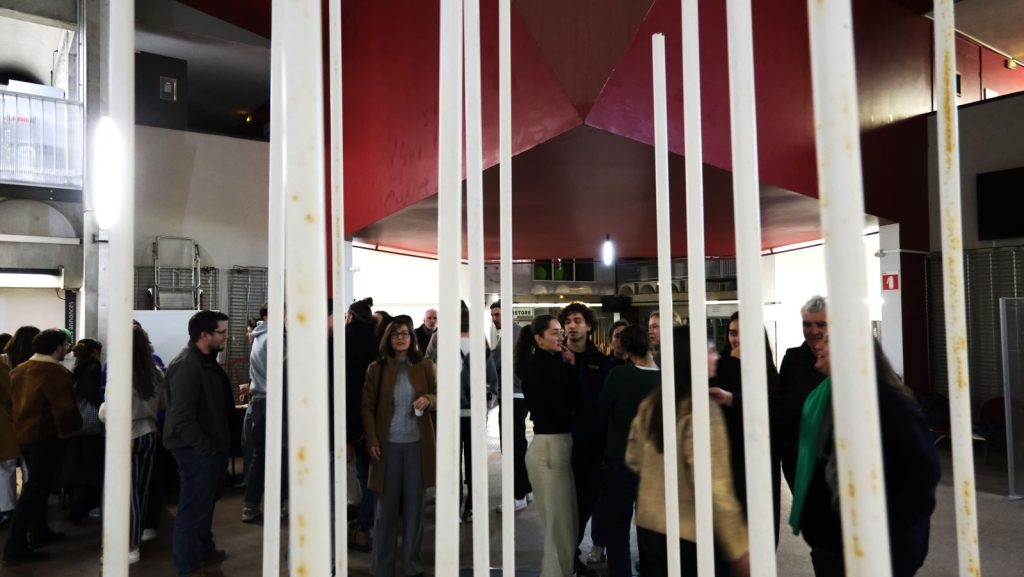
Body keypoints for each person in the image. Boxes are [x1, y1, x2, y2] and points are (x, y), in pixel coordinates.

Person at [788, 337, 939, 577]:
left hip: (877, 546)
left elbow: (921, 477)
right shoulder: (829, 398)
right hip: (834, 542)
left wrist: (893, 537)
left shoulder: (890, 403)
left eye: (828, 342)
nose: (819, 346)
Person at [626, 326, 750, 577]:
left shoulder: (653, 402)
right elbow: (715, 486)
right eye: (710, 350)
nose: (716, 356)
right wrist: (739, 548)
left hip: (651, 524)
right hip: (689, 531)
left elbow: (633, 457)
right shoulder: (702, 410)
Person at [362, 316, 437, 577]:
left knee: (415, 511)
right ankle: (381, 568)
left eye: (405, 333)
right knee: (385, 512)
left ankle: (412, 566)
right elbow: (367, 407)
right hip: (387, 448)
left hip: (418, 447)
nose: (401, 338)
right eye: (395, 334)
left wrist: (429, 399)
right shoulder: (377, 368)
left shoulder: (425, 366)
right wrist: (372, 439)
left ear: (412, 337)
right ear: (388, 338)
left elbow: (439, 394)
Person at [3, 329, 81, 566]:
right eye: (65, 345)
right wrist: (70, 431)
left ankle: (39, 532)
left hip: (24, 436)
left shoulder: (19, 369)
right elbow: (64, 410)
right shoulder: (56, 372)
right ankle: (15, 547)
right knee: (34, 491)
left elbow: (9, 404)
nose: (67, 349)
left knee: (36, 487)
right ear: (57, 347)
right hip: (46, 438)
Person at [163, 310, 233, 577]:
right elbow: (182, 418)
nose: (226, 336)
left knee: (204, 504)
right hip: (195, 449)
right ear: (204, 335)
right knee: (193, 507)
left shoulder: (205, 361)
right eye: (221, 332)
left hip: (207, 446)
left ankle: (203, 549)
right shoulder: (187, 366)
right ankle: (187, 565)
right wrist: (206, 449)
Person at [709, 312, 782, 541]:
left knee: (761, 531)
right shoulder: (720, 366)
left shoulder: (766, 370)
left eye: (743, 333)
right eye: (732, 333)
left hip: (761, 460)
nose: (737, 339)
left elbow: (773, 408)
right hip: (729, 460)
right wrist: (734, 363)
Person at [97, 325, 167, 563]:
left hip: (126, 435)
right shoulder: (155, 371)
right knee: (141, 491)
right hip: (150, 433)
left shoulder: (120, 371)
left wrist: (102, 409)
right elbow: (163, 404)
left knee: (125, 494)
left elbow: (110, 411)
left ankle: (128, 546)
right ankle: (136, 539)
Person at [516, 314, 578, 577]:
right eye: (554, 332)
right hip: (549, 447)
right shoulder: (540, 368)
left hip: (556, 444)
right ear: (538, 339)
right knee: (558, 525)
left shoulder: (551, 362)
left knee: (566, 523)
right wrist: (570, 366)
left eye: (560, 331)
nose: (561, 336)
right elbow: (564, 404)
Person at [597, 325, 659, 577]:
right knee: (649, 525)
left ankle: (620, 571)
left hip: (622, 458)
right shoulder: (665, 377)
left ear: (625, 348)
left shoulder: (619, 375)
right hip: (655, 461)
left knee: (618, 523)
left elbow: (602, 410)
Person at [558, 302, 610, 575]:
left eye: (577, 320)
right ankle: (565, 560)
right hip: (559, 442)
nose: (572, 325)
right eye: (568, 321)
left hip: (589, 447)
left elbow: (600, 406)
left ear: (588, 326)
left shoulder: (600, 362)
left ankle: (570, 555)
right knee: (561, 509)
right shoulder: (553, 358)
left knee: (583, 505)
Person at [778, 296, 829, 489]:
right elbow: (782, 405)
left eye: (821, 324)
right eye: (807, 324)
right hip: (799, 456)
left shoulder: (848, 360)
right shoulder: (793, 359)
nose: (813, 331)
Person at [344, 297, 380, 551]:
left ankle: (364, 525)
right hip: (375, 415)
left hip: (351, 416)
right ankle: (367, 522)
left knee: (363, 473)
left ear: (351, 316)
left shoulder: (343, 340)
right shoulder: (377, 341)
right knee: (371, 472)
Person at [490, 300, 532, 513]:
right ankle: (526, 489)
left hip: (512, 396)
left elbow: (493, 363)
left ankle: (518, 495)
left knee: (512, 446)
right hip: (519, 395)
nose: (494, 319)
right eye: (493, 315)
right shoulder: (518, 333)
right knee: (518, 444)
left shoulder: (510, 335)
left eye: (498, 314)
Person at [63, 338, 105, 524]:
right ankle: (81, 508)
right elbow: (92, 394)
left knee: (78, 467)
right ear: (95, 351)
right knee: (89, 469)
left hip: (78, 424)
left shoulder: (77, 365)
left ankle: (75, 507)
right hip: (91, 424)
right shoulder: (94, 366)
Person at [242, 304, 272, 523]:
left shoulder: (260, 337)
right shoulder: (272, 339)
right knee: (267, 456)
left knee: (259, 456)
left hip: (260, 400)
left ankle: (251, 505)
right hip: (270, 401)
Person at [0, 352, 17, 529]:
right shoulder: (2, 367)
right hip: (2, 423)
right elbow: (7, 395)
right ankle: (6, 509)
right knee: (5, 468)